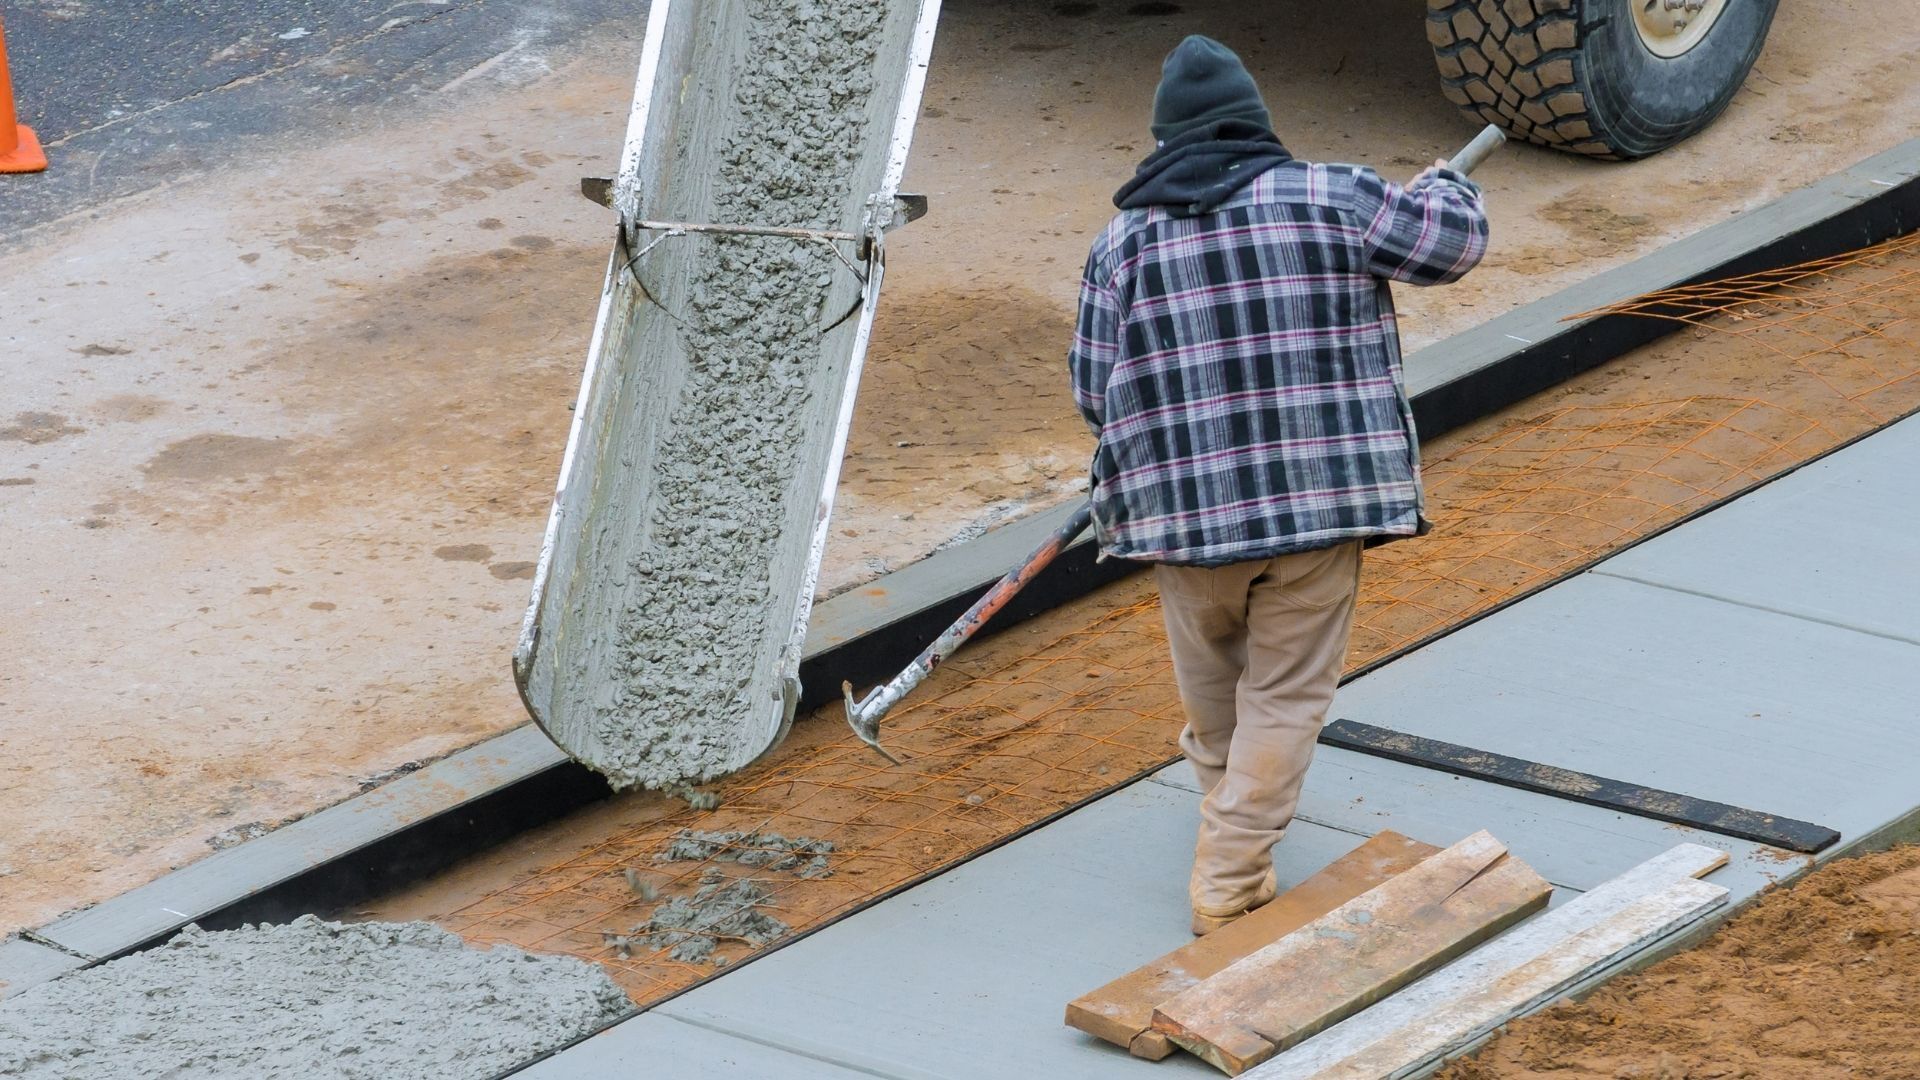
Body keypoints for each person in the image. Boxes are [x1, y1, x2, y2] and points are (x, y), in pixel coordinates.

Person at [1068, 35, 1488, 935]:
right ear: (1256, 124)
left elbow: (1089, 392)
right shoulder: (1334, 195)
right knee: (1286, 698)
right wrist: (1444, 185)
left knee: (1217, 701)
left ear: (1164, 141)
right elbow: (1451, 248)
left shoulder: (1122, 245)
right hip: (1316, 509)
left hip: (1180, 528)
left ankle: (1234, 833)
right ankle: (1228, 874)